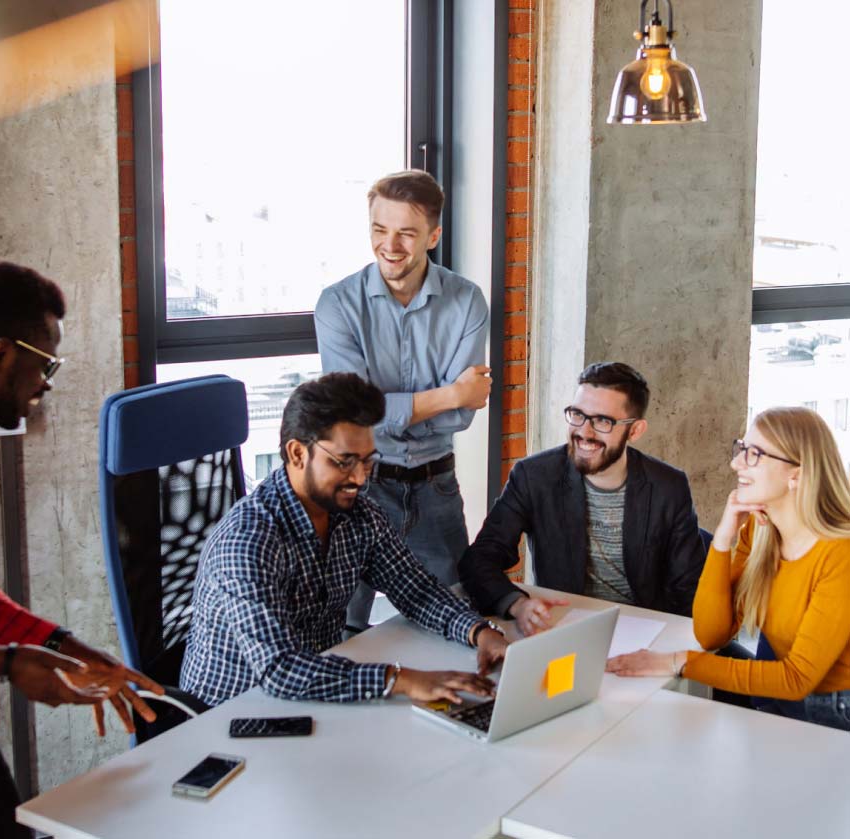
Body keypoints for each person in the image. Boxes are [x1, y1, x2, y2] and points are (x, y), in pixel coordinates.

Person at [0, 261, 163, 839]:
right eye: (44, 363)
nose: (47, 382)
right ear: (1, 355)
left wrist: (72, 650)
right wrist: (6, 663)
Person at [180, 372, 507, 707]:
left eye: (367, 461)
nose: (360, 478)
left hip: (316, 695)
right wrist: (400, 679)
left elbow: (416, 591)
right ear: (297, 454)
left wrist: (479, 632)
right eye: (344, 462)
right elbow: (280, 670)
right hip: (229, 716)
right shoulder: (248, 541)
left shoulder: (359, 515)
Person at [314, 170, 490, 630]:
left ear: (433, 236)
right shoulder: (337, 305)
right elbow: (355, 416)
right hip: (358, 487)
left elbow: (463, 417)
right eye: (379, 229)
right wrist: (449, 393)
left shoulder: (468, 301)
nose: (389, 245)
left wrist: (394, 408)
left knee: (455, 620)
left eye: (406, 233)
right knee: (341, 628)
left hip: (436, 489)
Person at [607, 406, 850, 732]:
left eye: (754, 454)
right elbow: (711, 633)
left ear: (796, 473)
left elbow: (796, 679)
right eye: (741, 449)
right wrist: (723, 538)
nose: (736, 463)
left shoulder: (840, 554)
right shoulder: (761, 532)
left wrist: (677, 661)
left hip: (836, 709)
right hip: (776, 691)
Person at [459, 362, 706, 636]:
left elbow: (689, 592)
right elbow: (479, 560)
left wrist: (669, 649)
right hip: (564, 628)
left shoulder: (668, 487)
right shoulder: (534, 476)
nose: (585, 432)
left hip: (643, 631)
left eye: (603, 421)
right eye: (577, 414)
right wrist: (518, 605)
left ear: (634, 431)